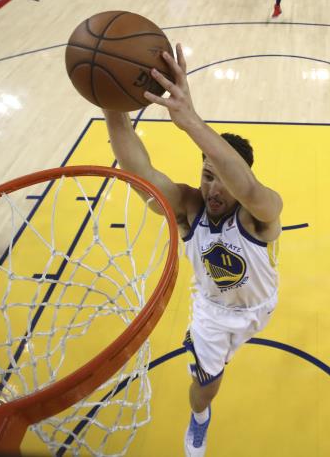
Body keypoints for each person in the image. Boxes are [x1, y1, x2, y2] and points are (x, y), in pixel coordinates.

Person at [104, 43, 282, 457]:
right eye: (206, 175)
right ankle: (200, 418)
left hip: (261, 306)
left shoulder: (261, 212)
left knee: (213, 368)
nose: (213, 188)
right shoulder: (190, 206)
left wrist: (190, 120)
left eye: (223, 178)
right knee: (205, 387)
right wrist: (110, 100)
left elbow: (247, 187)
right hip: (213, 313)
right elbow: (140, 171)